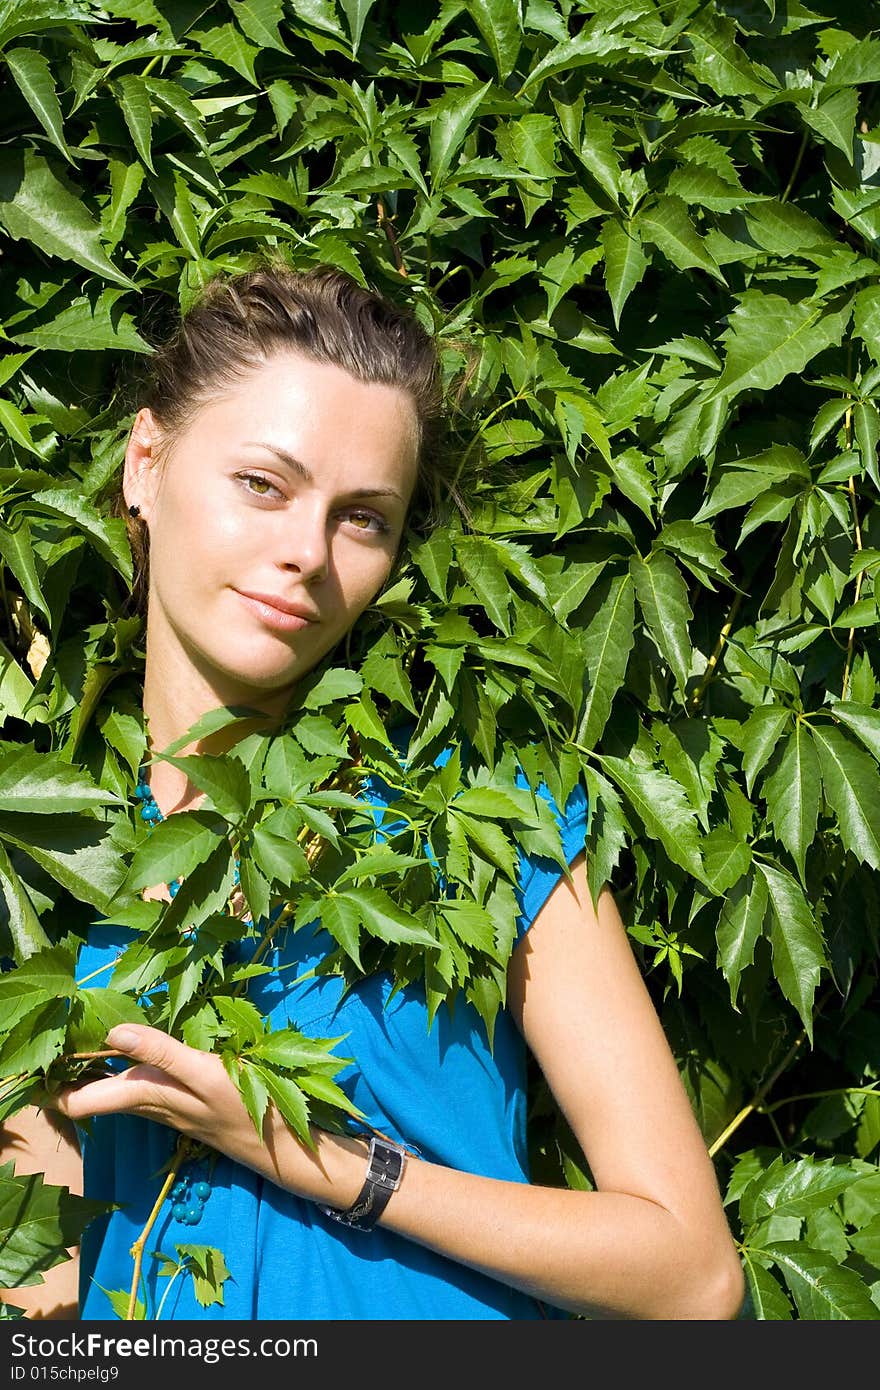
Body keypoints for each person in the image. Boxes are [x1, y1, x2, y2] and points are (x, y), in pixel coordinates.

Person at [0, 264, 745, 1322]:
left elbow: (693, 1277)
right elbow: (50, 1285)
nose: (305, 552)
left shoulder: (480, 814)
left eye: (363, 517)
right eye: (263, 484)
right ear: (146, 463)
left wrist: (312, 1152)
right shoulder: (44, 862)